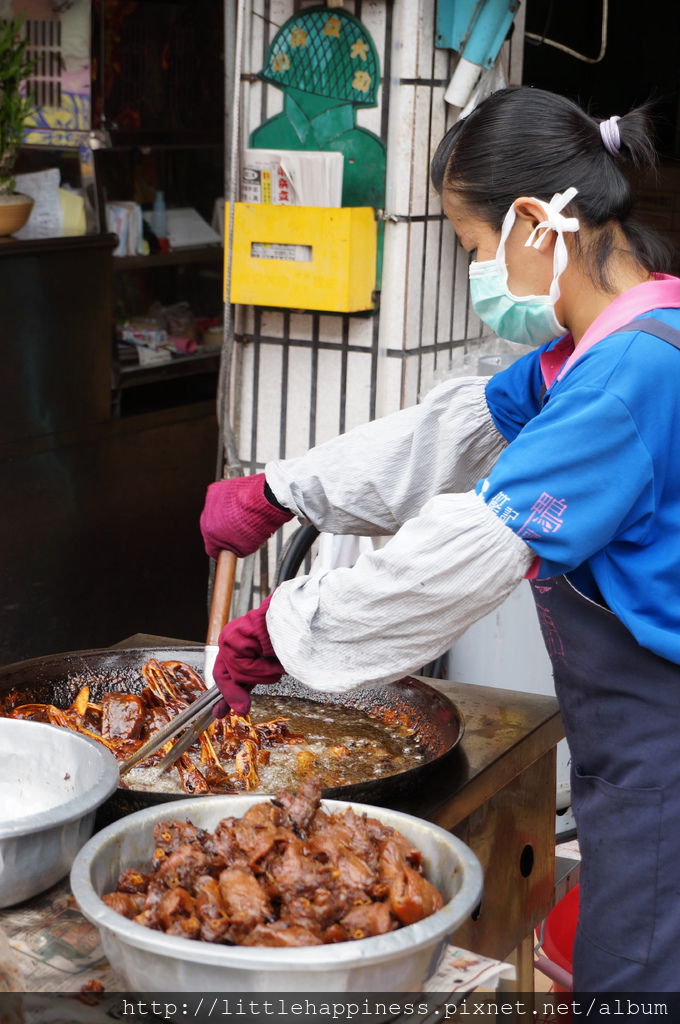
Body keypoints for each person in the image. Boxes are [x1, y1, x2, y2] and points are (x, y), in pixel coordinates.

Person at [200, 86, 680, 991]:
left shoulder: (627, 377)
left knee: (634, 985)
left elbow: (470, 551)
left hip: (666, 760)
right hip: (634, 757)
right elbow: (455, 430)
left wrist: (288, 630)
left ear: (536, 224)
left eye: (471, 246)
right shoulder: (613, 337)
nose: (475, 272)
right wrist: (282, 489)